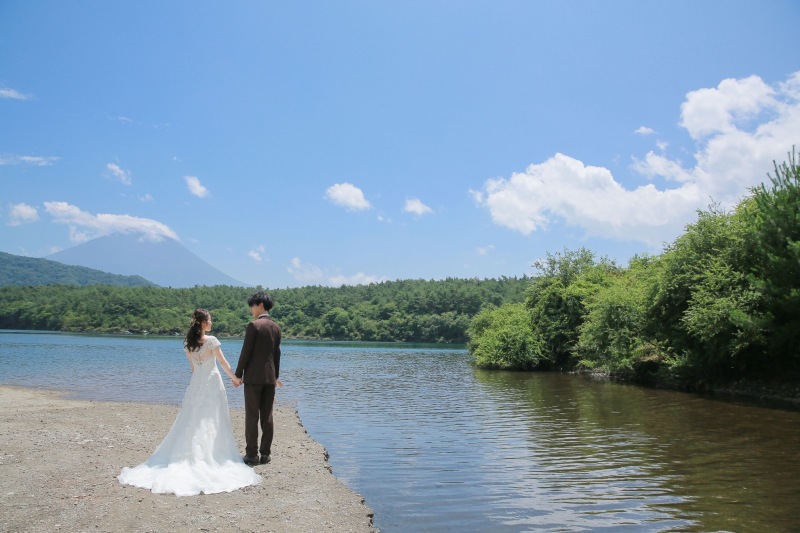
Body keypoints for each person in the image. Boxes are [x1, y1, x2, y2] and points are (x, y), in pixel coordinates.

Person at [118, 309, 261, 496]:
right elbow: (223, 363)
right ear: (203, 323)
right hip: (212, 382)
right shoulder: (212, 341)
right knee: (212, 417)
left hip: (197, 383)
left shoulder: (188, 344)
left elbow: (194, 368)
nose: (211, 322)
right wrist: (236, 378)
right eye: (209, 320)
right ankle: (212, 456)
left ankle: (189, 453)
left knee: (192, 418)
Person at [235, 290, 282, 466]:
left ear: (260, 305)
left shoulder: (254, 326)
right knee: (267, 416)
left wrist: (238, 374)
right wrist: (275, 376)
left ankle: (252, 455)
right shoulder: (276, 327)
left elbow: (245, 352)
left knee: (252, 415)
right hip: (270, 379)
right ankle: (266, 454)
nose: (251, 310)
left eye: (252, 306)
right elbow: (277, 354)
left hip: (253, 378)